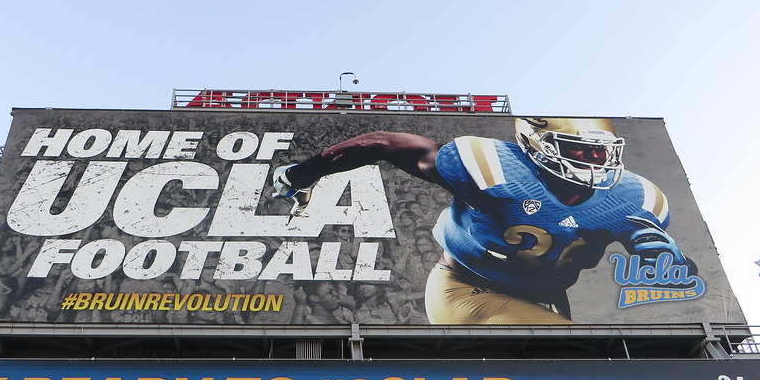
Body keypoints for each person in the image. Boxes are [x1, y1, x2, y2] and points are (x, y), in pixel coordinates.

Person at [272, 117, 692, 325]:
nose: (595, 162)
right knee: (575, 349)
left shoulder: (634, 197)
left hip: (546, 296)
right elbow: (383, 143)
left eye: (601, 153)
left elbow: (664, 273)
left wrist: (668, 263)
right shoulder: (489, 167)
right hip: (466, 287)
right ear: (536, 144)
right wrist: (304, 172)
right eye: (581, 151)